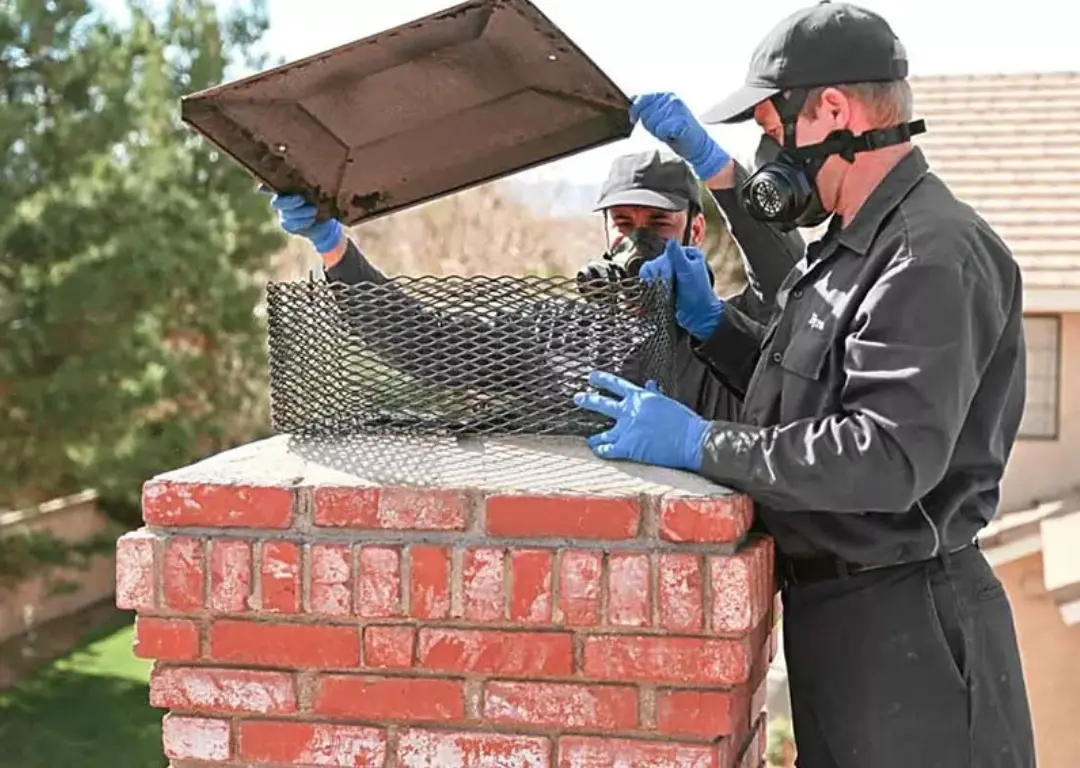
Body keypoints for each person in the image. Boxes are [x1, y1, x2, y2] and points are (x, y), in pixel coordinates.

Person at [573, 3, 1036, 767]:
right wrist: (714, 328)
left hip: (910, 632)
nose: (766, 150)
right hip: (843, 621)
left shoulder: (927, 255)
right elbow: (809, 396)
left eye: (772, 125)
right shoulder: (855, 247)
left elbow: (883, 457)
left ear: (832, 111)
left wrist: (698, 444)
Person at [266, 148, 801, 424]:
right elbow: (428, 344)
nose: (637, 240)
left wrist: (722, 173)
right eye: (623, 223)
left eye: (658, 225)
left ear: (695, 230)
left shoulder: (736, 334)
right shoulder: (556, 333)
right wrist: (335, 249)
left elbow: (787, 280)